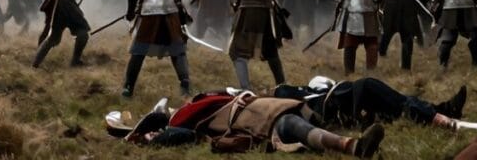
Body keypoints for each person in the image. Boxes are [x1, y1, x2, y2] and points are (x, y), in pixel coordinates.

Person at [106, 88, 384, 158]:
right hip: (260, 118)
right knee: (291, 125)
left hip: (262, 107)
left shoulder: (194, 110)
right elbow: (176, 136)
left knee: (300, 120)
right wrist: (148, 137)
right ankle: (352, 147)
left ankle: (346, 139)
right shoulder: (186, 126)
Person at [274, 76, 477, 132]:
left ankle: (442, 111)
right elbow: (281, 90)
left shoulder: (306, 95)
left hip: (351, 100)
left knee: (400, 104)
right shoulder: (294, 98)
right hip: (352, 97)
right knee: (399, 102)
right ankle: (439, 116)